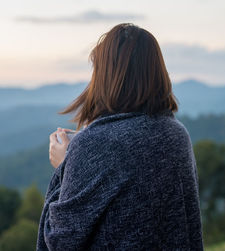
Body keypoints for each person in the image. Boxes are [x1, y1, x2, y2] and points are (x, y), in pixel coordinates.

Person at [37, 23, 204, 250]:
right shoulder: (176, 133)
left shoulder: (96, 144)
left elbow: (59, 241)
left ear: (105, 75)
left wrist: (65, 167)